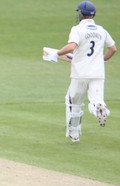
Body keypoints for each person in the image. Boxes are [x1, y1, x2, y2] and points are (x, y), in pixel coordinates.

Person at [43, 1, 116, 143]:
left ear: (81, 14)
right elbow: (113, 49)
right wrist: (102, 60)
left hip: (80, 73)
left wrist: (57, 53)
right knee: (97, 99)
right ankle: (99, 108)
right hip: (98, 73)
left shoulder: (77, 29)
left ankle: (74, 133)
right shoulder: (102, 30)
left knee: (73, 103)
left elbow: (71, 47)